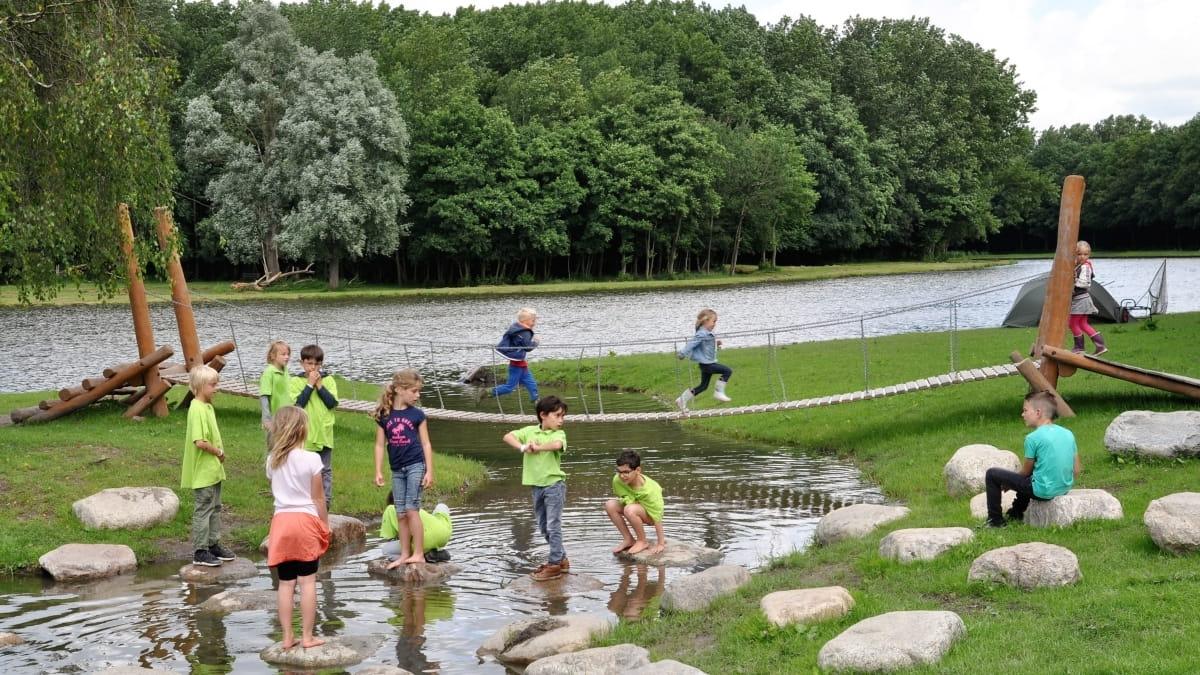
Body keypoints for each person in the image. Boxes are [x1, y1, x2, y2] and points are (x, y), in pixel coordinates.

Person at [264, 406, 331, 650]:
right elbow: (318, 498)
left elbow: (277, 490)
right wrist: (325, 524)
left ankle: (286, 637)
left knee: (285, 583)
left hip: (281, 522)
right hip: (305, 522)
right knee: (308, 582)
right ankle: (307, 636)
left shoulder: (272, 460)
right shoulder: (312, 459)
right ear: (302, 429)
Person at [982, 391, 1083, 527]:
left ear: (1038, 412)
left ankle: (995, 521)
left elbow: (1025, 472)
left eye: (1025, 410)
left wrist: (1009, 483)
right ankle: (1016, 513)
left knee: (992, 474)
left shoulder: (1033, 438)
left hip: (1043, 491)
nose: (1022, 414)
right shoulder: (1068, 434)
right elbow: (1076, 470)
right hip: (1064, 488)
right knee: (1030, 479)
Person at [502, 395, 569, 581]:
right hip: (536, 487)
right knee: (543, 526)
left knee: (553, 525)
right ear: (543, 415)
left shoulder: (558, 434)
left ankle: (554, 564)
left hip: (554, 485)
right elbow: (508, 436)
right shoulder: (529, 431)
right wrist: (523, 447)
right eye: (557, 415)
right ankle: (562, 559)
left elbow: (557, 445)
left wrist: (538, 448)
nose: (561, 420)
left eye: (563, 416)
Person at [373, 369, 434, 567]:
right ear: (399, 389)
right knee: (400, 512)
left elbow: (426, 443)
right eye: (414, 391)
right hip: (397, 469)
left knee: (411, 509)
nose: (417, 395)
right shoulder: (384, 415)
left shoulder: (417, 415)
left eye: (419, 391)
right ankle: (405, 553)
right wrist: (378, 470)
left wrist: (429, 470)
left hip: (416, 465)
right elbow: (379, 445)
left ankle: (419, 553)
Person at [180, 365, 235, 568]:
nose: (216, 388)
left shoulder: (208, 407)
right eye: (213, 385)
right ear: (200, 386)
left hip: (213, 470)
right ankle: (200, 551)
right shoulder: (196, 409)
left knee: (215, 507)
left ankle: (213, 544)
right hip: (203, 471)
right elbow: (200, 442)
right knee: (203, 508)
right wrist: (219, 452)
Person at [289, 344, 339, 510]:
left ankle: (325, 504)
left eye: (317, 364)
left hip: (324, 434)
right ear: (302, 363)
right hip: (305, 435)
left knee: (325, 470)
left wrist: (319, 386)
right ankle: (305, 503)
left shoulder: (328, 380)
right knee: (304, 470)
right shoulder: (296, 382)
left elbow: (332, 403)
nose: (313, 368)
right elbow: (298, 405)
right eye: (309, 363)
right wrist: (309, 385)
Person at [605, 450, 665, 555]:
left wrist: (661, 543)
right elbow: (624, 498)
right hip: (633, 506)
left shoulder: (651, 490)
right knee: (610, 505)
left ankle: (642, 541)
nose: (622, 476)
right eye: (619, 472)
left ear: (638, 470)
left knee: (630, 509)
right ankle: (628, 539)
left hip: (649, 515)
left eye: (626, 472)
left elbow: (657, 516)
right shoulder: (617, 480)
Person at [675, 308, 733, 410]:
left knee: (703, 386)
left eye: (716, 322)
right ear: (705, 321)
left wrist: (716, 344)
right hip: (708, 365)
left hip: (706, 364)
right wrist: (682, 354)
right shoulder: (702, 333)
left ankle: (682, 400)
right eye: (713, 321)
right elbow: (691, 343)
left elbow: (706, 347)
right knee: (727, 371)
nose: (715, 324)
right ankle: (719, 392)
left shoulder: (706, 333)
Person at [379, 492, 453, 564]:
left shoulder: (390, 509)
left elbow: (390, 537)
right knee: (441, 506)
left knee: (386, 550)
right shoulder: (415, 509)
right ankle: (434, 553)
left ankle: (423, 556)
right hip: (444, 534)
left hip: (423, 541)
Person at [486, 307, 540, 403]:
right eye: (533, 320)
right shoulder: (525, 332)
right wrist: (536, 342)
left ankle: (536, 401)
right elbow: (528, 347)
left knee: (531, 384)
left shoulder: (516, 328)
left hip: (521, 364)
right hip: (516, 365)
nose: (534, 323)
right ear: (526, 321)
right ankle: (488, 392)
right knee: (510, 387)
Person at [1070, 240, 1107, 355]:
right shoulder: (1078, 266)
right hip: (1081, 299)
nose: (1082, 257)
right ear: (1075, 254)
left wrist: (1073, 280)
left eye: (1085, 254)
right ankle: (1100, 346)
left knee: (1072, 323)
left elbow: (1085, 283)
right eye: (1079, 254)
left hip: (1081, 300)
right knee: (1082, 323)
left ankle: (1079, 347)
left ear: (1089, 255)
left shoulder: (1085, 267)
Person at [258, 340, 292, 449]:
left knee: (287, 447)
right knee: (274, 448)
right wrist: (266, 420)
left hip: (287, 416)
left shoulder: (285, 371)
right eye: (283, 354)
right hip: (275, 418)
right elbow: (264, 397)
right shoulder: (269, 373)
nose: (287, 357)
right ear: (273, 356)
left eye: (288, 354)